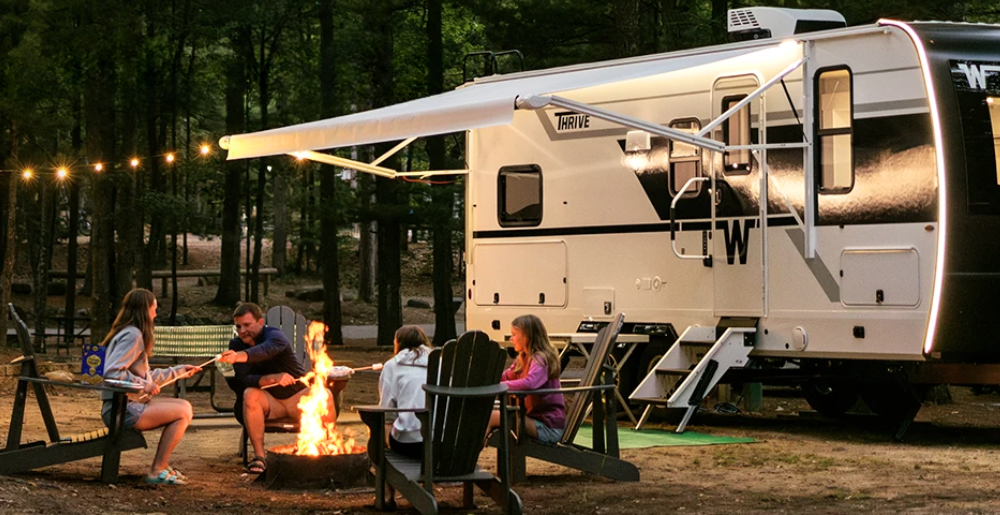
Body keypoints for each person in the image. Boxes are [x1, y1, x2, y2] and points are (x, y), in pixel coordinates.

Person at [217, 302, 333, 474]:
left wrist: (239, 357)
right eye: (238, 326)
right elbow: (243, 379)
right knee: (250, 394)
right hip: (270, 403)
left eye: (247, 325)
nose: (242, 331)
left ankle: (327, 449)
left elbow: (265, 350)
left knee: (325, 393)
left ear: (261, 322)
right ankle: (260, 457)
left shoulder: (274, 335)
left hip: (298, 398)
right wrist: (270, 379)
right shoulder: (236, 344)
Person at [100, 288, 200, 485]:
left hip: (123, 405)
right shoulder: (133, 335)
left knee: (183, 407)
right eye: (154, 309)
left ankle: (161, 465)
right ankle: (157, 470)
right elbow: (112, 373)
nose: (155, 314)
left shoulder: (129, 332)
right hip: (120, 409)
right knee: (184, 411)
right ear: (145, 310)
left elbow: (147, 376)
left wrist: (179, 371)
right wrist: (143, 385)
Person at [488, 314, 566, 443]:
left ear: (527, 336)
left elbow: (530, 383)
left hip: (548, 427)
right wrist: (486, 378)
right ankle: (470, 459)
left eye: (514, 334)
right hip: (534, 421)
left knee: (491, 417)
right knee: (485, 413)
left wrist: (501, 386)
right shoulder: (523, 358)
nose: (511, 338)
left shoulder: (540, 358)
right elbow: (505, 376)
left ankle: (468, 460)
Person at [378, 325, 433, 459]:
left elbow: (387, 409)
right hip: (440, 443)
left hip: (408, 444)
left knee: (382, 424)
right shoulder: (441, 362)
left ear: (397, 343)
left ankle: (383, 474)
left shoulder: (392, 366)